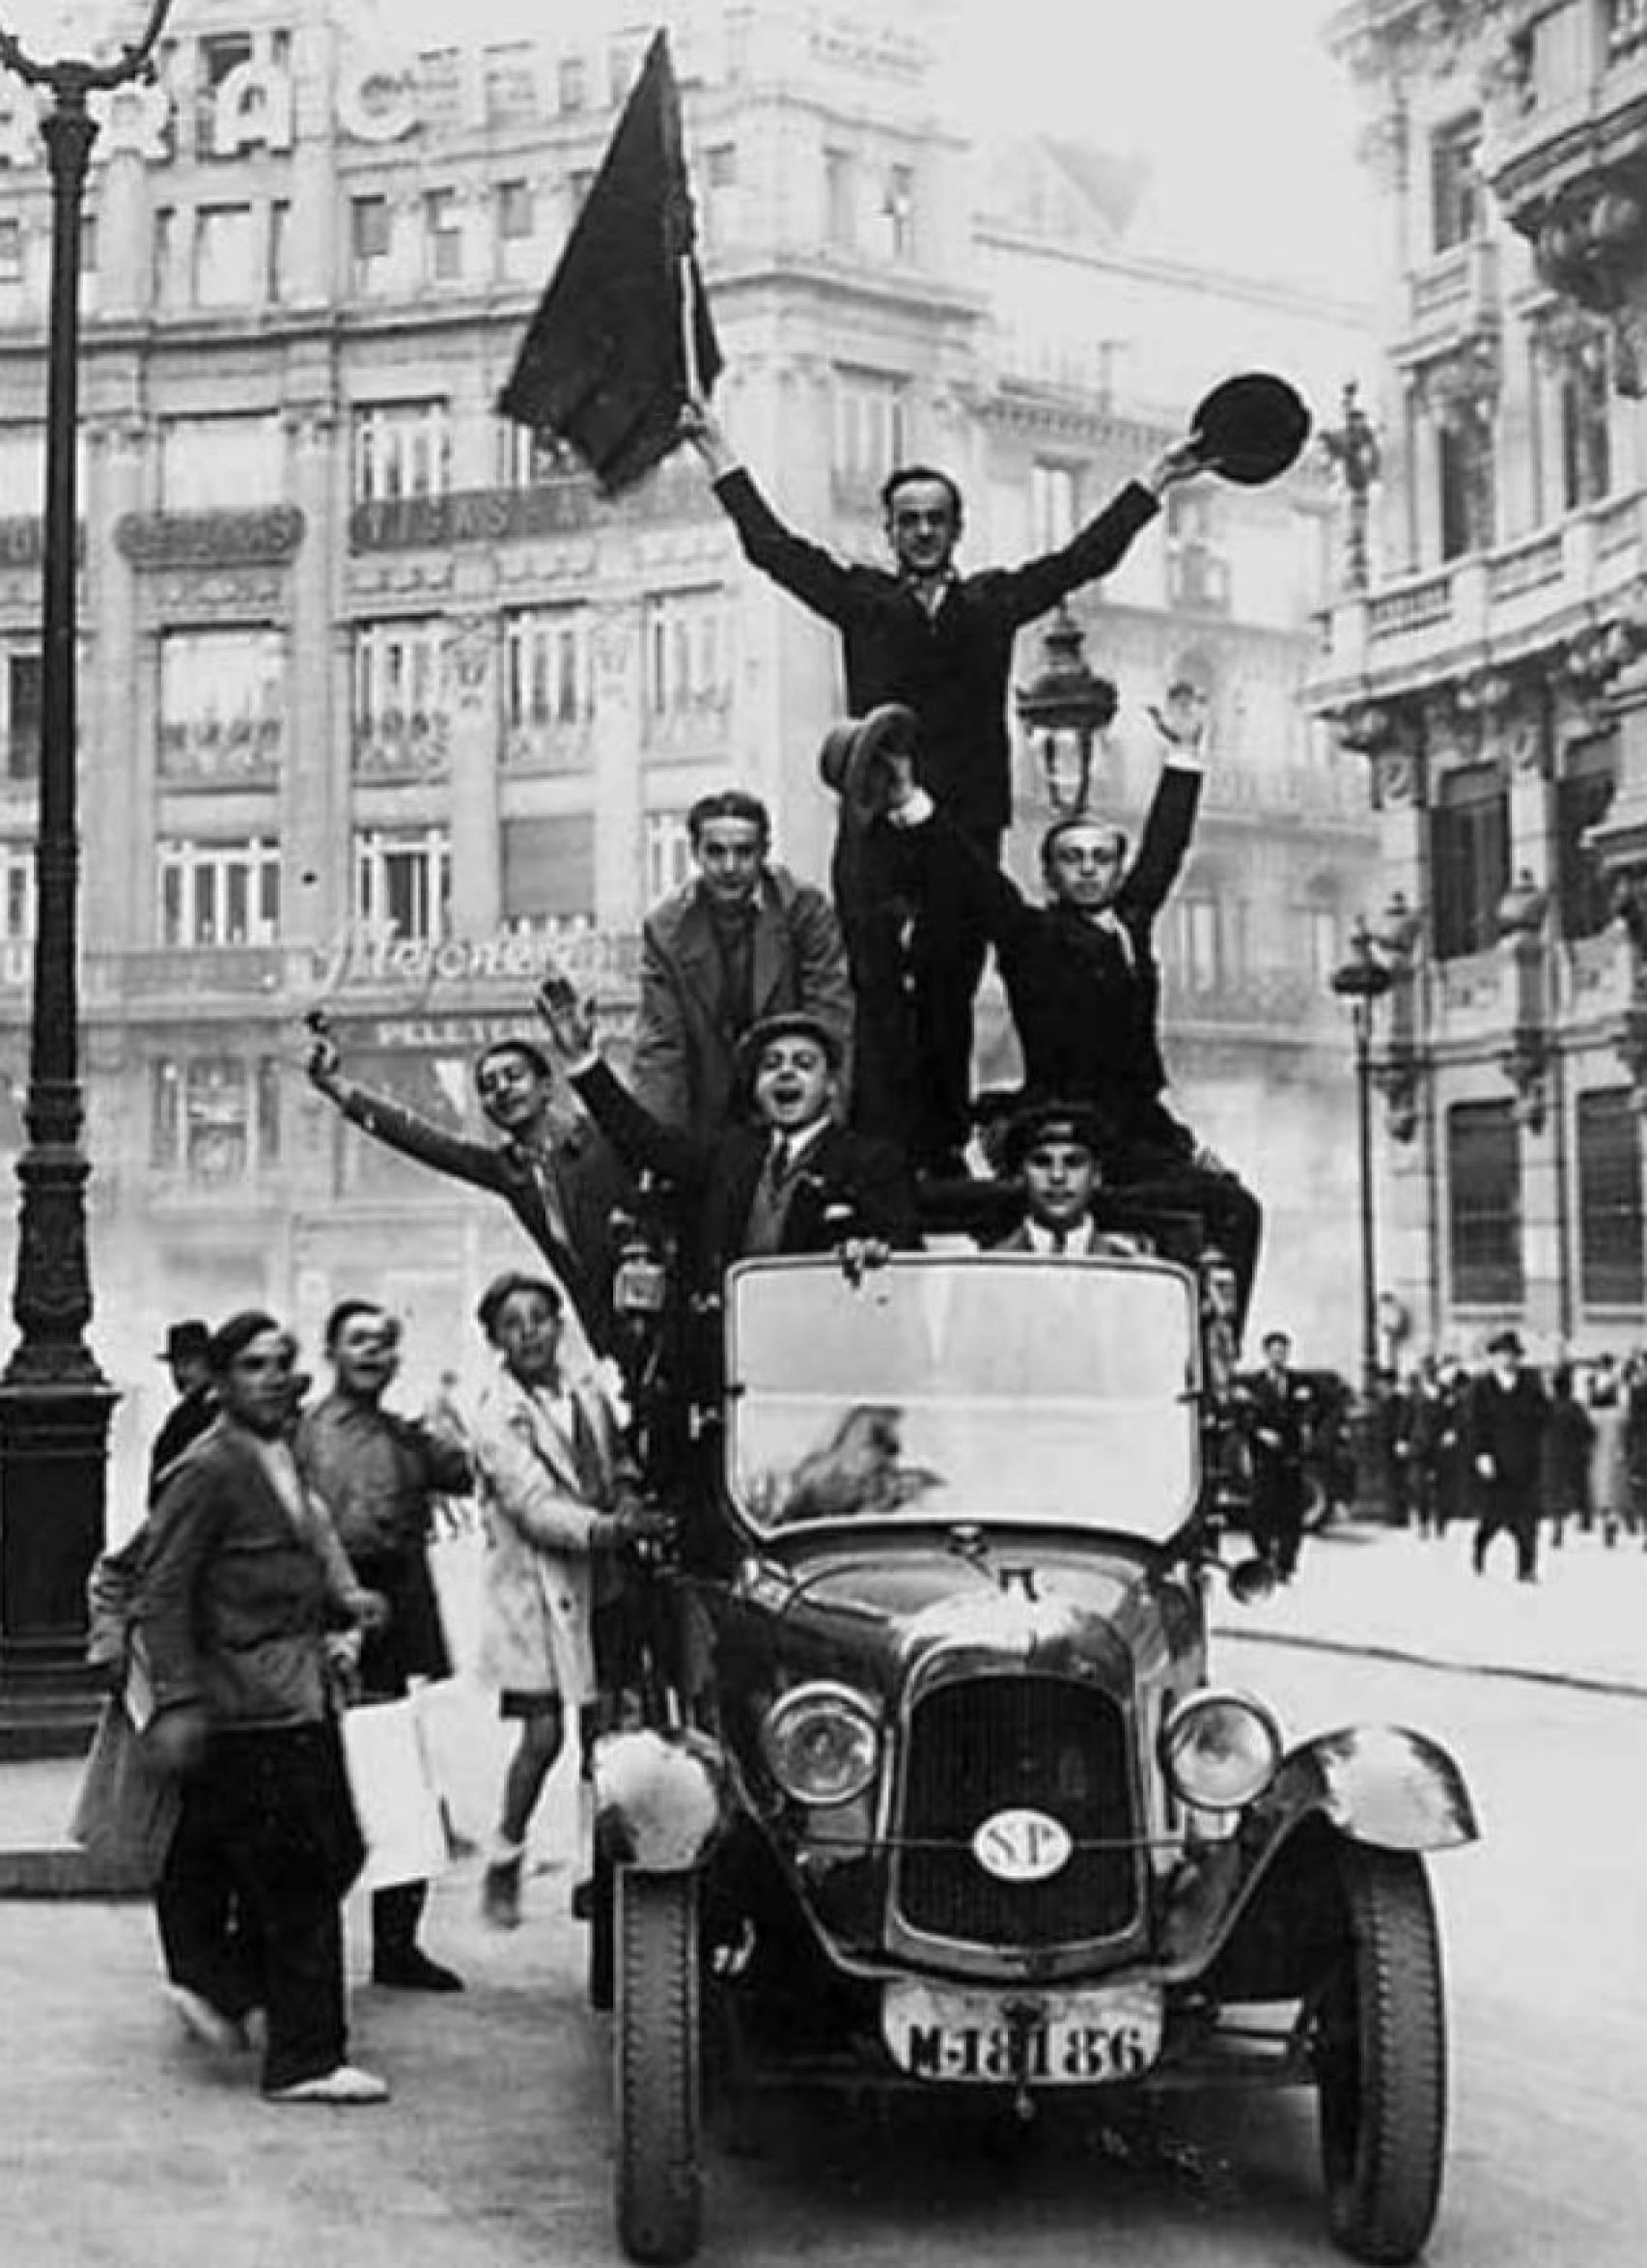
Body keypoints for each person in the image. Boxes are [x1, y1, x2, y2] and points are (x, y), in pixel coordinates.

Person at [681, 398, 1207, 1172]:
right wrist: (716, 449)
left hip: (963, 829)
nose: (923, 531)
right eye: (909, 520)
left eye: (936, 519)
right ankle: (881, 1144)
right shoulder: (862, 599)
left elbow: (1082, 559)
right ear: (889, 531)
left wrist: (1156, 477)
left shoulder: (992, 603)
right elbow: (772, 548)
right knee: (873, 984)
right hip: (873, 823)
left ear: (956, 530)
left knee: (949, 983)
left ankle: (941, 1145)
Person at [860, 689, 1263, 1330]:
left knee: (1236, 1209)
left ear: (1118, 870)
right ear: (1049, 875)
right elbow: (973, 876)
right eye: (1072, 860)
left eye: (1102, 859)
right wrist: (909, 801)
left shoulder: (1132, 922)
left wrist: (1185, 753)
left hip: (1140, 1132)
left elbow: (1166, 849)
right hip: (1062, 1126)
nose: (1089, 870)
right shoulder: (1030, 935)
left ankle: (1212, 1346)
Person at [133, 1311, 390, 2105]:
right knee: (304, 1870)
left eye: (281, 1362)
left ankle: (222, 1982)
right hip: (250, 1701)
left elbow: (300, 1547)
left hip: (297, 1691)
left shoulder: (277, 1452)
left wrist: (345, 1602)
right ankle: (305, 2057)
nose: (273, 1377)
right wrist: (178, 1697)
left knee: (335, 1848)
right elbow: (162, 1589)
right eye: (252, 1365)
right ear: (218, 1381)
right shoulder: (207, 1470)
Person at [466, 1272, 671, 1929]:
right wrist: (609, 1530)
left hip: (601, 1581)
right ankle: (506, 1849)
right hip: (536, 1591)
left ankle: (595, 1867)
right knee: (544, 1735)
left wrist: (629, 1494)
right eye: (512, 1324)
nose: (529, 1333)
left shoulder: (587, 1391)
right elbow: (532, 1507)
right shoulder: (495, 1415)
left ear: (559, 1326)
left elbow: (617, 1462)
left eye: (539, 1319)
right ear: (496, 1340)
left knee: (603, 1732)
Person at [296, 1301, 472, 1993]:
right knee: (324, 1785)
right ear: (332, 1352)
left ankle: (397, 1945)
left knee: (399, 1781)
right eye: (358, 1341)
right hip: (328, 1613)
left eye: (383, 1342)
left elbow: (465, 1473)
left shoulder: (406, 1436)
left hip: (392, 1618)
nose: (372, 1352)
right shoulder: (307, 1434)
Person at [537, 991, 922, 1295]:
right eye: (771, 1065)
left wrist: (874, 1252)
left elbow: (905, 1252)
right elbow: (646, 1143)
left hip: (824, 1346)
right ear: (756, 1089)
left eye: (804, 1064)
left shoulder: (872, 1162)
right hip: (735, 1352)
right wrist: (583, 1061)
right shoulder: (728, 1154)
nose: (786, 1072)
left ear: (831, 1087)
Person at [306, 1017, 633, 1359]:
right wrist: (334, 1086)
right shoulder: (509, 1171)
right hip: (613, 1336)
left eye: (514, 1076)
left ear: (546, 1087)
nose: (501, 1089)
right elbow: (420, 1139)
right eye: (488, 1086)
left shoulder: (605, 1138)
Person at [631, 787, 852, 1141]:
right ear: (695, 853)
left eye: (744, 852)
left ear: (765, 852)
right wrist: (655, 1146)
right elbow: (662, 1050)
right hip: (711, 1120)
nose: (730, 867)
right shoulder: (666, 930)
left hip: (795, 1108)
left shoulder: (804, 912)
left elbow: (830, 1023)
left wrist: (823, 1135)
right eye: (716, 852)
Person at [991, 1102, 1154, 1257]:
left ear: (1096, 1175)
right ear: (1020, 1175)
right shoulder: (990, 1265)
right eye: (1042, 1162)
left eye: (1073, 1163)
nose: (1057, 1176)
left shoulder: (1128, 1268)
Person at [1463, 1330, 1550, 1582]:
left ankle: (1526, 1568)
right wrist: (1481, 1454)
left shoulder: (1531, 1383)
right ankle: (1479, 1553)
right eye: (1501, 1355)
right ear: (1493, 1358)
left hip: (1526, 1460)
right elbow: (1474, 1423)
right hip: (1495, 1462)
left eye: (1511, 1355)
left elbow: (1544, 1415)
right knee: (1493, 1516)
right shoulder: (1481, 1387)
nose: (1507, 1360)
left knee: (1527, 1519)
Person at [1237, 1330, 1314, 1582]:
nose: (1279, 1356)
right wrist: (1259, 1433)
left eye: (1283, 1352)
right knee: (1262, 1512)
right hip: (1264, 1460)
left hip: (1290, 1459)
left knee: (1291, 1513)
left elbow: (1313, 1411)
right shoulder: (1254, 1384)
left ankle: (1286, 1564)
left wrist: (1306, 1428)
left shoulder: (1299, 1382)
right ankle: (1264, 1559)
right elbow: (1241, 1418)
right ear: (1266, 1353)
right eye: (1275, 1352)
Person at [149, 1319, 217, 1499]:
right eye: (175, 1365)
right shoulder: (181, 1416)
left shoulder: (220, 1412)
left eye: (188, 1363)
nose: (180, 1373)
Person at [1542, 1364, 1595, 1551]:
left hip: (1551, 1455)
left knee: (1554, 1490)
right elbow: (1589, 1431)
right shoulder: (1574, 1408)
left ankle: (1557, 1522)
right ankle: (1586, 1518)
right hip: (1573, 1454)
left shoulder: (1546, 1408)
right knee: (1580, 1486)